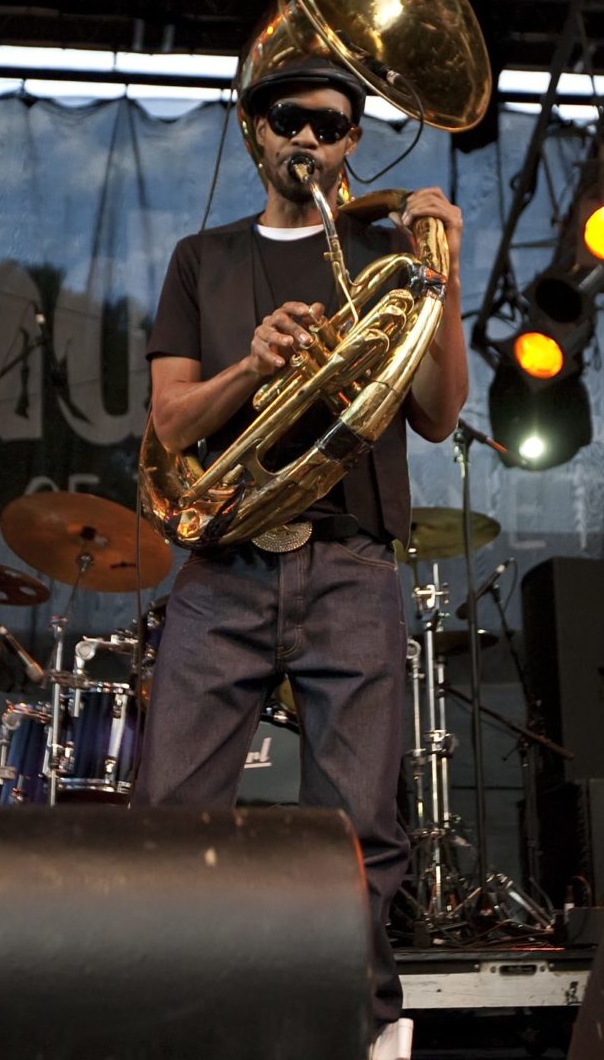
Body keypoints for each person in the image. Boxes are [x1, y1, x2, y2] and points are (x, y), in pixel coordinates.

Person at [138, 56, 467, 1060]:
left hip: (352, 560)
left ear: (354, 141)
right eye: (292, 121)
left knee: (361, 825)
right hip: (227, 560)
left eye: (334, 125)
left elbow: (440, 411)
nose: (313, 140)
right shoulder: (206, 258)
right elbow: (170, 417)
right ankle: (171, 1018)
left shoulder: (390, 254)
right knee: (173, 810)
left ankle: (356, 1026)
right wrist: (256, 360)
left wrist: (442, 274)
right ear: (254, 131)